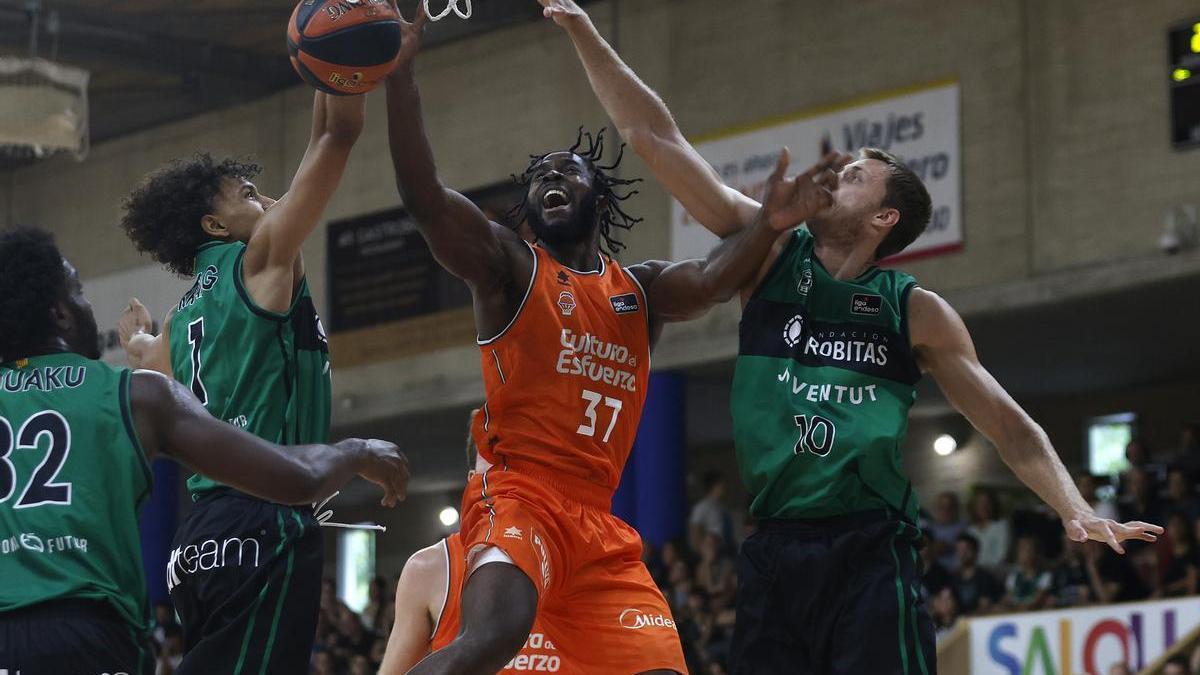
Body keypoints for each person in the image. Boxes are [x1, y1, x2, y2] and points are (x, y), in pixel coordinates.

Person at [536, 1, 1164, 671]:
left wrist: (1073, 506)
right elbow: (653, 136)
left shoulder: (915, 310)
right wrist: (585, 29)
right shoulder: (769, 252)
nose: (838, 175)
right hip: (774, 550)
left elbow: (1008, 426)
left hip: (870, 553)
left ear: (883, 217)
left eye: (857, 176)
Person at [384, 7, 845, 673]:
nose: (548, 181)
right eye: (538, 177)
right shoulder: (509, 269)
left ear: (598, 195)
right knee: (491, 637)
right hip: (521, 496)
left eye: (564, 172)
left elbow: (715, 280)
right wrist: (401, 79)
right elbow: (425, 199)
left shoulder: (641, 289)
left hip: (597, 523)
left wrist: (770, 224)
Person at [0, 227, 408, 673]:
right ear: (60, 313)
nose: (87, 304)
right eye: (78, 291)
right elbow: (294, 478)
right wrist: (355, 451)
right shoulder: (137, 394)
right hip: (88, 635)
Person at [117, 83, 366, 672]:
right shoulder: (261, 261)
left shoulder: (177, 323)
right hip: (262, 519)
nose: (268, 197)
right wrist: (340, 69)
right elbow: (335, 136)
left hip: (194, 539)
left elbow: (150, 360)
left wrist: (135, 342)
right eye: (247, 193)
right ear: (213, 223)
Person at [951, 534, 1003, 615]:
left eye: (966, 549)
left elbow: (985, 606)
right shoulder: (952, 578)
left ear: (976, 551)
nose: (963, 553)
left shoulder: (985, 577)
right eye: (959, 549)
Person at [966, 487, 1012, 571]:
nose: (984, 506)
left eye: (988, 503)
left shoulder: (1002, 526)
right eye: (980, 503)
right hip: (975, 572)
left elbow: (1003, 555)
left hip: (995, 572)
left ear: (994, 505)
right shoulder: (970, 530)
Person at [1004, 536, 1053, 611]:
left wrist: (1023, 607)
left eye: (1027, 550)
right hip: (1016, 611)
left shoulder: (1045, 576)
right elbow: (1009, 598)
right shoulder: (1013, 577)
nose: (1022, 554)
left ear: (1036, 553)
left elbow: (1037, 600)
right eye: (1020, 550)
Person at [690, 470, 733, 552]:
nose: (725, 486)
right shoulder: (701, 507)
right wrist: (704, 554)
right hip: (710, 552)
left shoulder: (722, 508)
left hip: (725, 550)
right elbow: (694, 532)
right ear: (713, 486)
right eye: (721, 484)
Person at [927, 491, 968, 572]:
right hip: (933, 574)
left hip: (957, 573)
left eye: (950, 507)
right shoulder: (928, 528)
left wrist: (950, 546)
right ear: (937, 509)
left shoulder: (965, 528)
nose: (946, 510)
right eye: (942, 507)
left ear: (956, 508)